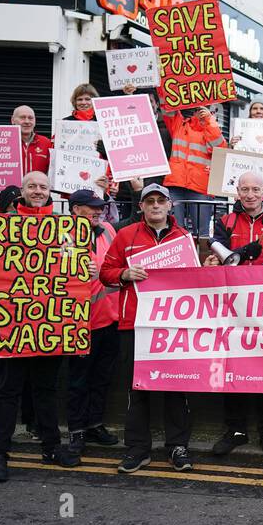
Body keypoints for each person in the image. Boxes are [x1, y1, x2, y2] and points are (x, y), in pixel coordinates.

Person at [0, 170, 73, 482]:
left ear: (49, 190)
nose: (38, 191)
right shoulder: (2, 227)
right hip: (11, 324)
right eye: (32, 186)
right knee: (5, 392)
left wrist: (88, 267)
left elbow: (79, 266)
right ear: (22, 191)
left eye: (42, 186)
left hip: (48, 322)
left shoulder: (63, 228)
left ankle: (51, 447)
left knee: (46, 389)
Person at [99, 182, 197, 474]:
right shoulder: (126, 235)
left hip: (173, 326)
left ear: (170, 205)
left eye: (160, 201)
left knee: (176, 386)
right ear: (140, 206)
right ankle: (138, 449)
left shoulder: (183, 237)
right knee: (137, 389)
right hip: (135, 324)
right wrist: (124, 273)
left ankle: (177, 447)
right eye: (149, 201)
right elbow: (105, 272)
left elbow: (195, 280)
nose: (155, 205)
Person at [206, 172, 263, 457]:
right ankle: (236, 430)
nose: (250, 195)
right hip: (234, 305)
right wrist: (243, 252)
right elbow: (222, 254)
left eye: (255, 189)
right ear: (236, 192)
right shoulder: (224, 221)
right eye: (245, 189)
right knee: (234, 367)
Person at [63, 189, 122, 457]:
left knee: (101, 379)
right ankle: (77, 432)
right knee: (78, 382)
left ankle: (95, 424)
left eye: (100, 207)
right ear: (75, 210)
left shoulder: (109, 229)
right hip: (79, 324)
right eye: (92, 207)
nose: (99, 211)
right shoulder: (63, 236)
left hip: (110, 320)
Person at [163, 105, 226, 233]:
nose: (200, 111)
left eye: (204, 109)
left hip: (200, 188)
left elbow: (220, 149)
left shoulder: (211, 127)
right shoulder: (179, 124)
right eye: (197, 108)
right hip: (175, 185)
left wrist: (209, 121)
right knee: (174, 231)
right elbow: (167, 105)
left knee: (201, 234)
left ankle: (201, 254)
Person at [13, 105, 52, 176]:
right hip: (11, 186)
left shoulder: (46, 143)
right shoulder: (5, 142)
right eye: (22, 117)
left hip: (36, 186)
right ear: (12, 120)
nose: (27, 121)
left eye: (30, 118)